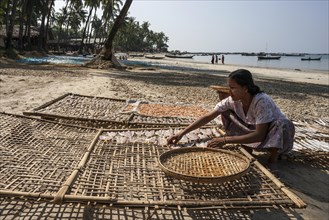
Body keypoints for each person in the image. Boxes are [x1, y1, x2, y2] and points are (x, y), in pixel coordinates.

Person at [167, 69, 295, 166]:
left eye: (233, 88)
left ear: (245, 88)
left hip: (270, 132)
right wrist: (181, 133)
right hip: (252, 128)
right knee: (226, 112)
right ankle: (248, 146)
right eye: (229, 87)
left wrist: (225, 140)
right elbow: (208, 117)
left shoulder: (261, 101)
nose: (229, 91)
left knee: (282, 124)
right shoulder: (233, 100)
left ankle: (273, 159)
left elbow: (260, 135)